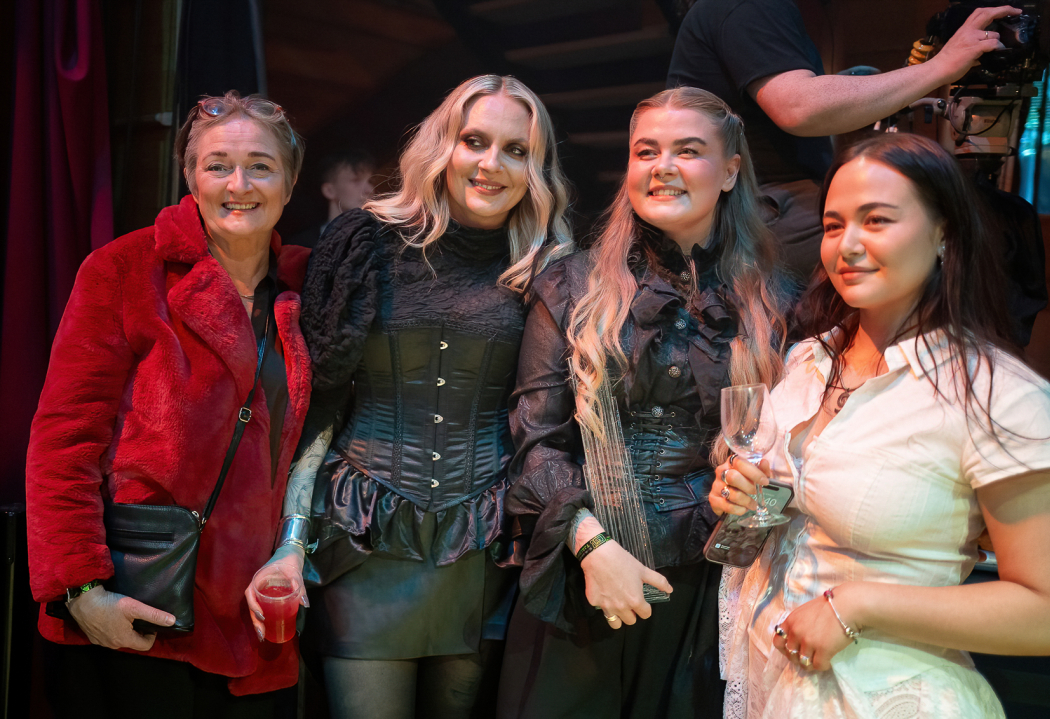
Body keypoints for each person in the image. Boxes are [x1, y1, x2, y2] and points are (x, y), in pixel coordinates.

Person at [710, 133, 1050, 718]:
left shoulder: (1000, 396)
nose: (848, 245)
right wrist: (746, 498)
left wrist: (857, 606)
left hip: (889, 697)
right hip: (772, 683)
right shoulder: (809, 361)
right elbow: (796, 506)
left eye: (877, 220)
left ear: (945, 234)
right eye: (833, 225)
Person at [246, 74, 573, 719]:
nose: (491, 164)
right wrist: (290, 539)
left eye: (516, 150)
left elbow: (547, 422)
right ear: (442, 145)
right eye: (474, 141)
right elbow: (318, 406)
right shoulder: (363, 242)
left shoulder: (548, 268)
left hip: (483, 546)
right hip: (363, 534)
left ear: (536, 170)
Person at [496, 87, 788, 719]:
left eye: (689, 151)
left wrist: (755, 501)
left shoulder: (774, 303)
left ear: (730, 171)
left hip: (707, 591)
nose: (663, 167)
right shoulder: (570, 285)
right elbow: (535, 441)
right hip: (582, 574)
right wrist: (592, 546)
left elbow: (792, 462)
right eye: (646, 151)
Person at [26, 91, 311, 717]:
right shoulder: (127, 269)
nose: (239, 185)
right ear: (190, 177)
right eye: (218, 165)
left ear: (290, 183)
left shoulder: (307, 290)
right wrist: (81, 588)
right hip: (136, 612)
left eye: (261, 166)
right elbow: (64, 439)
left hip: (253, 620)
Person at [667, 0, 1022, 285]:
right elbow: (798, 107)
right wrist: (940, 67)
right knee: (970, 234)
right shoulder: (747, 5)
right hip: (755, 209)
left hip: (763, 204)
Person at [288, 148, 377, 249]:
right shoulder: (302, 247)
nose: (369, 189)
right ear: (329, 191)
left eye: (370, 181)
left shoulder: (381, 238)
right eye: (356, 180)